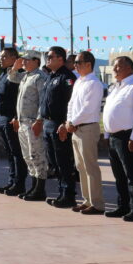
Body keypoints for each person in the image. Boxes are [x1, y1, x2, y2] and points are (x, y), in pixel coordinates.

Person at [102, 56, 133, 221]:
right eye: (114, 66)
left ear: (129, 68)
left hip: (127, 136)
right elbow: (108, 111)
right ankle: (123, 206)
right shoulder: (115, 87)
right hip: (114, 137)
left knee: (132, 176)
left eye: (118, 67)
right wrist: (106, 134)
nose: (115, 69)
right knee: (119, 175)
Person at [61, 51, 104, 214]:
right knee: (80, 167)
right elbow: (71, 104)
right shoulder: (79, 81)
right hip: (76, 128)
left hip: (87, 127)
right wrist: (68, 121)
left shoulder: (94, 83)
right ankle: (87, 200)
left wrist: (72, 122)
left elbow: (88, 108)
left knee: (90, 166)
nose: (75, 65)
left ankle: (97, 203)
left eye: (78, 62)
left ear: (88, 64)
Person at [38, 46, 78, 208]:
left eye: (50, 56)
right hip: (48, 123)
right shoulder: (50, 76)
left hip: (59, 124)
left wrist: (64, 123)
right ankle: (62, 192)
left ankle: (68, 195)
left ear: (60, 59)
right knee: (54, 161)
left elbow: (70, 102)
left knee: (63, 161)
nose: (47, 59)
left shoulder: (67, 77)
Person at [9, 50, 49, 201]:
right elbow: (12, 78)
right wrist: (15, 67)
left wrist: (39, 121)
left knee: (37, 155)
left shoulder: (40, 77)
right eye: (23, 60)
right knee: (28, 156)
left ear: (36, 61)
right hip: (23, 122)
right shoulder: (26, 76)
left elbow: (42, 101)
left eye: (26, 60)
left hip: (33, 122)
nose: (23, 62)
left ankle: (40, 189)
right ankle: (33, 186)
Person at [0, 47, 28, 196]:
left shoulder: (19, 75)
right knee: (9, 152)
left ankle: (19, 184)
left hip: (11, 117)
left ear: (14, 58)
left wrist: (16, 116)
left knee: (16, 152)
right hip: (1, 117)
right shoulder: (3, 74)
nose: (1, 59)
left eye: (4, 57)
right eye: (1, 57)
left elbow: (18, 98)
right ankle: (11, 181)